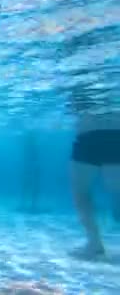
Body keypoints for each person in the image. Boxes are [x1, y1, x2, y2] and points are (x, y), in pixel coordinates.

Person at [69, 85, 120, 258]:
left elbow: (76, 107)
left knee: (80, 192)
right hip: (115, 134)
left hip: (89, 136)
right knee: (116, 190)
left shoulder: (75, 82)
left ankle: (94, 243)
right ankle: (94, 244)